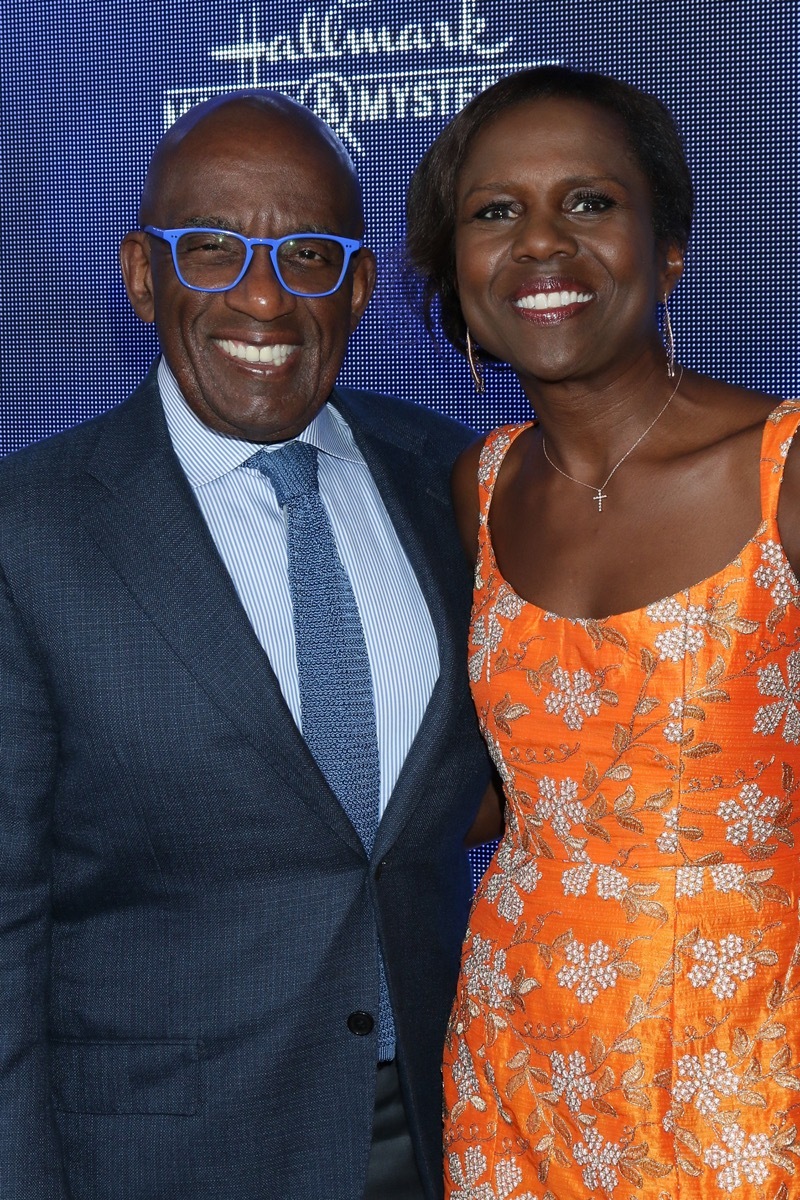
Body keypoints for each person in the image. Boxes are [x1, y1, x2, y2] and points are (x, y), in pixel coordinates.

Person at [0, 91, 492, 1200]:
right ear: (141, 275)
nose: (264, 296)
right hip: (161, 1159)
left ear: (358, 286)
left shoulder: (453, 481)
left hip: (447, 1125)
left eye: (308, 254)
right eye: (211, 249)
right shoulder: (25, 530)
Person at [406, 65, 800, 1196]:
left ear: (666, 246)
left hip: (748, 1063)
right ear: (456, 269)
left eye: (588, 202)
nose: (540, 243)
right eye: (494, 212)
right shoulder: (476, 490)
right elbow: (491, 779)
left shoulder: (777, 469)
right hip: (516, 1064)